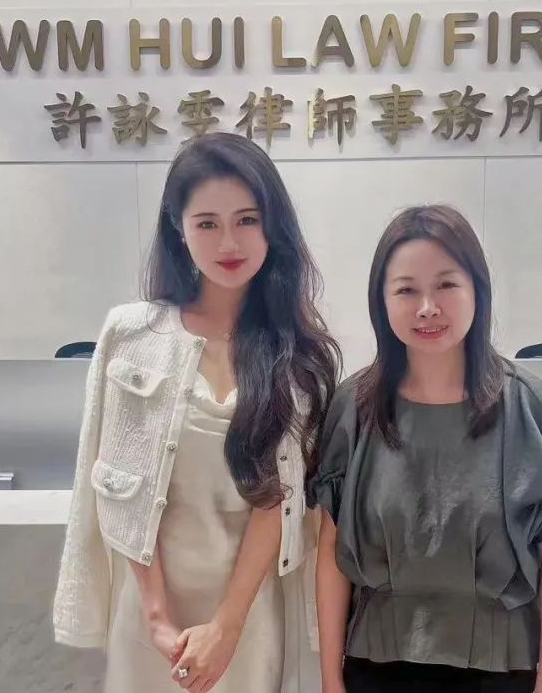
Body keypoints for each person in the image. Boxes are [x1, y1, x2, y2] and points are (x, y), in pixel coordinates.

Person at [53, 132, 341, 693]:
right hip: (149, 614)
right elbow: (118, 480)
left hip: (249, 613)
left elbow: (280, 501)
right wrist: (157, 618)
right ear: (178, 228)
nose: (228, 241)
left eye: (247, 220)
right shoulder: (132, 335)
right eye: (207, 223)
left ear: (273, 226)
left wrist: (226, 628)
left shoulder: (298, 353)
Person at [308, 205, 542, 693]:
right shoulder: (353, 407)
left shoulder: (527, 405)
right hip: (375, 668)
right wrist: (330, 678)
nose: (427, 307)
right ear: (381, 302)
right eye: (406, 290)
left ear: (478, 291)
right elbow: (332, 552)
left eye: (446, 285)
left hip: (501, 672)